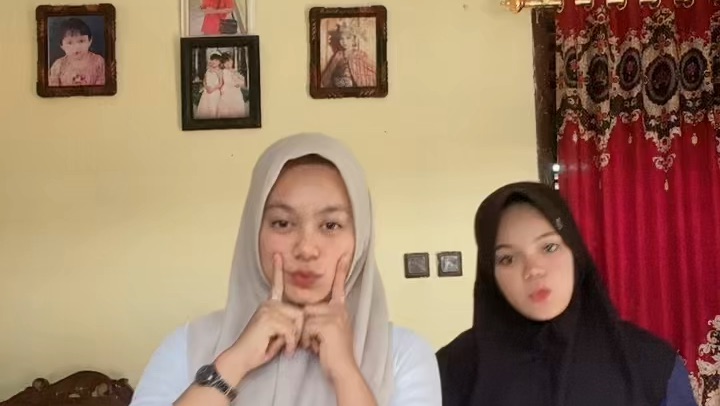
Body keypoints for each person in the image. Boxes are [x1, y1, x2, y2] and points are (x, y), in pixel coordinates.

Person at [130, 133, 441, 406]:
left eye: (331, 225)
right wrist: (233, 363)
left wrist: (346, 373)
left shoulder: (402, 355)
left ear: (361, 237)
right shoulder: (189, 344)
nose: (306, 248)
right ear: (254, 230)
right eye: (282, 223)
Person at [436, 182, 698, 406]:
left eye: (549, 247)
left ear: (575, 253)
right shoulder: (451, 370)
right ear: (489, 274)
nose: (533, 270)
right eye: (507, 259)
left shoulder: (651, 364)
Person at [48, 17, 105, 87]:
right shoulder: (58, 66)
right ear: (62, 46)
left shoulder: (98, 62)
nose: (76, 47)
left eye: (81, 41)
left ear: (90, 41)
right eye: (70, 43)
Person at [217, 53, 247, 119]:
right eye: (225, 62)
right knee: (226, 110)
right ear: (223, 64)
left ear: (231, 61)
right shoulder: (223, 72)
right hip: (227, 92)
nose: (228, 64)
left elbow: (243, 81)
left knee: (237, 109)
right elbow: (221, 83)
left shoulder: (235, 71)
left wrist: (239, 83)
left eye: (229, 61)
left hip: (236, 92)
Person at [195, 53, 224, 119]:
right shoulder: (208, 70)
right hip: (206, 92)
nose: (214, 62)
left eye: (216, 60)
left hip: (215, 92)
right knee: (205, 108)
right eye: (212, 60)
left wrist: (213, 89)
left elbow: (220, 83)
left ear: (219, 62)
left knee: (213, 109)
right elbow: (204, 81)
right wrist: (206, 87)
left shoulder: (219, 71)